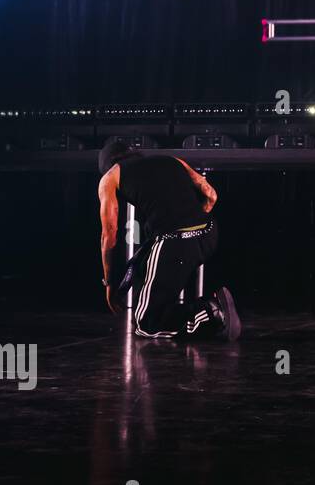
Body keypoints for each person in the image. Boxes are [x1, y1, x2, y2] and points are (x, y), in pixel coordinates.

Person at [97, 137, 240, 341]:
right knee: (144, 262)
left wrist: (110, 284)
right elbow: (211, 194)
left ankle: (210, 311)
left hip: (175, 240)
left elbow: (109, 235)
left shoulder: (110, 177)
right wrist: (192, 225)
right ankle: (191, 310)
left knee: (147, 325)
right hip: (208, 234)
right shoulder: (172, 160)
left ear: (107, 164)